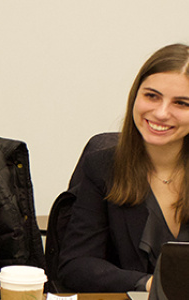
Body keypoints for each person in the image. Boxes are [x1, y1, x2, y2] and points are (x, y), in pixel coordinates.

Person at [59, 43, 189, 292]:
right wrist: (151, 284)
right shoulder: (102, 167)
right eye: (152, 96)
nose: (161, 113)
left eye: (181, 103)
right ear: (135, 96)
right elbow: (75, 266)